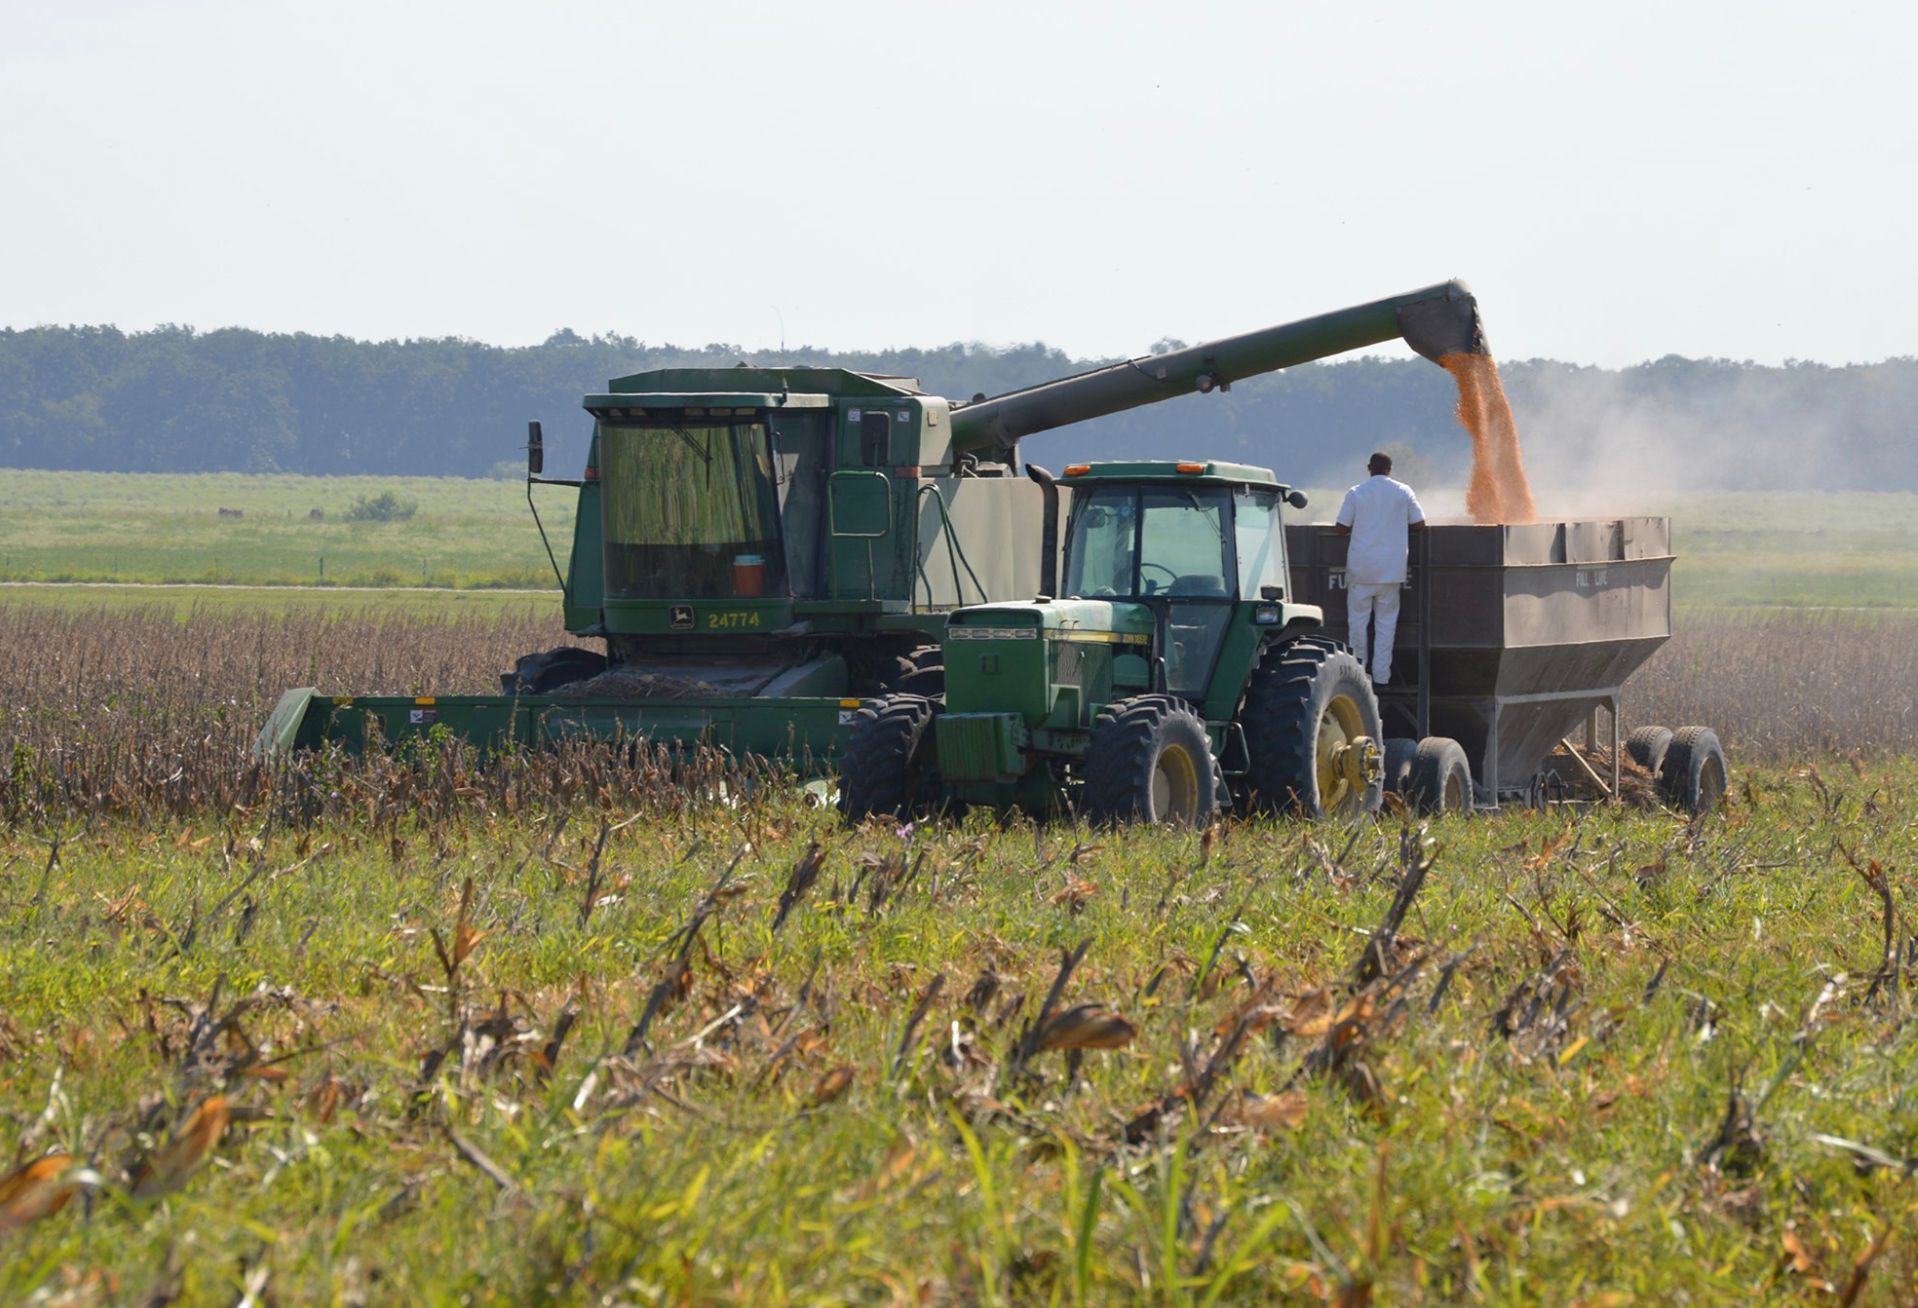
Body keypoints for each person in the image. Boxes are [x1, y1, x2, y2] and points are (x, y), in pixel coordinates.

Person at [1335, 452, 1426, 686]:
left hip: (1361, 569)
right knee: (1386, 626)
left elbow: (1341, 528)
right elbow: (1419, 524)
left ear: (1369, 468)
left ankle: (1358, 677)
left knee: (1357, 624)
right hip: (1391, 570)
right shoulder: (1403, 491)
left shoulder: (1356, 492)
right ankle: (1382, 677)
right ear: (1390, 469)